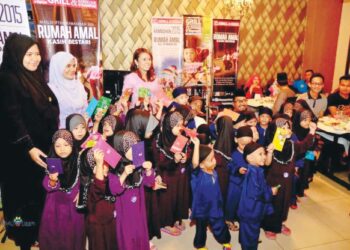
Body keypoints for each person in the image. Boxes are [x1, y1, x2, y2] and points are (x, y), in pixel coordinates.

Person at [0, 33, 59, 250]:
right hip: (20, 154)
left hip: (40, 149)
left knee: (37, 197)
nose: (34, 58)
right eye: (29, 54)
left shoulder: (34, 78)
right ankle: (23, 238)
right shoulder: (8, 79)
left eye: (37, 54)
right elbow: (12, 117)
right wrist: (29, 147)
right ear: (16, 55)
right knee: (21, 200)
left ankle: (35, 234)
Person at [262, 117, 316, 239]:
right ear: (275, 131)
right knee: (273, 204)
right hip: (274, 181)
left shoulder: (292, 144)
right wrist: (269, 152)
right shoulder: (272, 145)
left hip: (287, 181)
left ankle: (279, 223)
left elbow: (304, 145)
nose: (286, 130)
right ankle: (269, 226)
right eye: (282, 128)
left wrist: (312, 131)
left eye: (288, 128)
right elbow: (266, 163)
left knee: (284, 203)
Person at [109, 131, 155, 250]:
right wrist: (124, 174)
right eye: (129, 147)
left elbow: (149, 183)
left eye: (136, 145)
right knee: (127, 237)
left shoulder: (138, 161)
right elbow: (114, 190)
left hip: (139, 209)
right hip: (124, 212)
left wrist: (149, 170)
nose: (134, 149)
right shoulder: (114, 167)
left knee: (140, 232)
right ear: (120, 148)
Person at [39, 130, 85, 250]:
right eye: (58, 145)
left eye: (66, 145)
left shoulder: (79, 160)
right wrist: (53, 180)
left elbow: (87, 180)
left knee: (73, 237)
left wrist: (83, 191)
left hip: (73, 206)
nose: (62, 149)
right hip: (54, 207)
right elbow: (46, 185)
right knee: (54, 237)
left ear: (72, 144)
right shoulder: (52, 161)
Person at [191, 144, 232, 250]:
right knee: (200, 229)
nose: (214, 161)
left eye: (214, 158)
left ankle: (225, 241)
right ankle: (200, 246)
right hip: (202, 210)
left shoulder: (214, 172)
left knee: (220, 226)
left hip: (215, 207)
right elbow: (195, 163)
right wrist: (196, 145)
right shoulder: (197, 176)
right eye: (210, 160)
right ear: (201, 165)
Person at [238, 142, 276, 250]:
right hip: (251, 212)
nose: (264, 157)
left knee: (248, 231)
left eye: (264, 153)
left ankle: (246, 241)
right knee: (251, 232)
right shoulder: (252, 174)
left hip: (251, 210)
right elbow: (256, 193)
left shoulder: (257, 170)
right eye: (260, 154)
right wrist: (270, 191)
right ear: (250, 158)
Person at [80, 148, 117, 250]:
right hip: (97, 225)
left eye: (106, 163)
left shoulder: (109, 178)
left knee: (112, 244)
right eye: (101, 164)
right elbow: (99, 188)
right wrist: (99, 165)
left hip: (110, 221)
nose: (106, 167)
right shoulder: (88, 183)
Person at [48, 51, 88, 128]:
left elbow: (86, 108)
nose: (73, 69)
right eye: (68, 66)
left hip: (81, 130)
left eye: (74, 65)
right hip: (63, 134)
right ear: (58, 67)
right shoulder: (51, 89)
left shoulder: (78, 85)